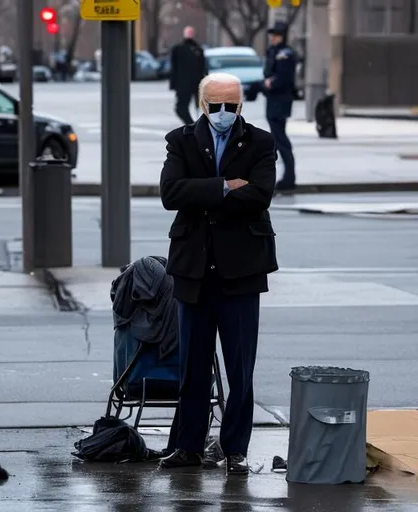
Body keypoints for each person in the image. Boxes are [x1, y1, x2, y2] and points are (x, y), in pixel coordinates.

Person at [158, 72, 278, 475]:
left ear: (241, 105)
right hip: (194, 269)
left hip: (242, 271)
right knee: (192, 366)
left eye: (232, 105)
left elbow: (260, 194)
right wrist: (226, 187)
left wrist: (204, 192)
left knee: (240, 368)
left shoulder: (260, 142)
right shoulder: (181, 140)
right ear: (201, 104)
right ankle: (188, 446)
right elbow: (171, 193)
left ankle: (235, 449)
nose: (224, 113)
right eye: (216, 105)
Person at [263, 21, 297, 193]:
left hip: (280, 101)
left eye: (276, 35)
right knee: (276, 141)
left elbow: (283, 79)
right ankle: (275, 177)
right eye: (272, 35)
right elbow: (268, 73)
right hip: (273, 101)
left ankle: (289, 177)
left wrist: (271, 83)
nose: (273, 38)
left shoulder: (286, 54)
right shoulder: (273, 52)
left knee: (280, 140)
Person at [169, 26, 208, 125]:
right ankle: (194, 125)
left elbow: (174, 68)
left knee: (181, 108)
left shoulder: (178, 49)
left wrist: (173, 84)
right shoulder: (198, 50)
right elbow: (203, 69)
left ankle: (191, 125)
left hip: (183, 85)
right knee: (198, 108)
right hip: (196, 84)